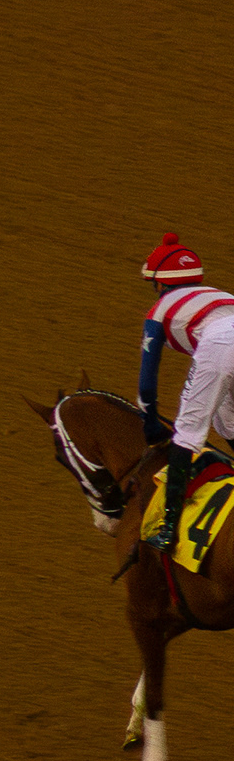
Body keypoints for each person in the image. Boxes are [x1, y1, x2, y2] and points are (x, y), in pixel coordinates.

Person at [139, 233, 234, 549]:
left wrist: (151, 425)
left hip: (219, 344)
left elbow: (147, 382)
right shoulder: (219, 295)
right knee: (226, 420)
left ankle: (168, 527)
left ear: (161, 284)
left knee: (187, 431)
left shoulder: (159, 309)